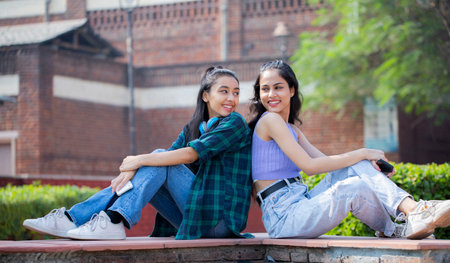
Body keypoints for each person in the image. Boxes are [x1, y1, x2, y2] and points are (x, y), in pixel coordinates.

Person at [23, 66, 253, 240]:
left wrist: (137, 160)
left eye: (235, 92)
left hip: (219, 222)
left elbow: (189, 155)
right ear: (206, 95)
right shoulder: (193, 127)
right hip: (192, 218)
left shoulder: (235, 123)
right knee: (155, 164)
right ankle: (75, 219)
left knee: (157, 159)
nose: (232, 99)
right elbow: (161, 164)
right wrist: (138, 167)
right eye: (224, 91)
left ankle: (109, 219)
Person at [248, 60, 450, 240]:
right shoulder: (270, 121)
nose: (271, 94)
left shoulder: (291, 129)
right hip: (283, 216)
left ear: (291, 90)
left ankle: (404, 220)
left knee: (356, 167)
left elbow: (329, 163)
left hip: (301, 201)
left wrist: (364, 162)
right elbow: (310, 166)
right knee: (352, 185)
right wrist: (363, 152)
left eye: (278, 87)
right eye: (265, 89)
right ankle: (415, 211)